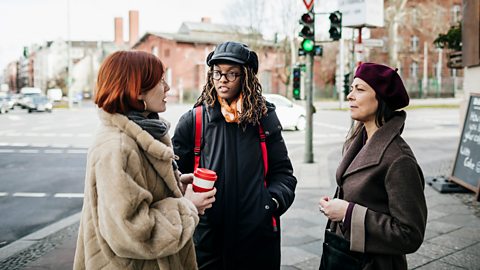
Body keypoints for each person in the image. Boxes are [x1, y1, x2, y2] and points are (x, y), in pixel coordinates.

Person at [73, 50, 216, 270]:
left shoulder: (142, 131)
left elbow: (141, 192)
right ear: (138, 91)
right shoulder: (118, 147)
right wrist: (189, 207)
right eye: (160, 81)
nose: (167, 87)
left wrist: (176, 182)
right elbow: (132, 231)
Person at [172, 41, 297, 269]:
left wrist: (270, 204)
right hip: (207, 240)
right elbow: (172, 179)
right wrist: (190, 205)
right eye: (217, 73)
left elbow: (284, 174)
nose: (222, 80)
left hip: (256, 241)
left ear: (246, 78)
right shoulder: (194, 121)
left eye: (231, 74)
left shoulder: (264, 118)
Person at [318, 62, 427, 270]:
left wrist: (348, 213)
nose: (350, 95)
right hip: (343, 254)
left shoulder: (399, 159)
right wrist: (334, 207)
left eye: (359, 89)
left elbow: (410, 235)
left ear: (381, 99)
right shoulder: (357, 141)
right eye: (351, 89)